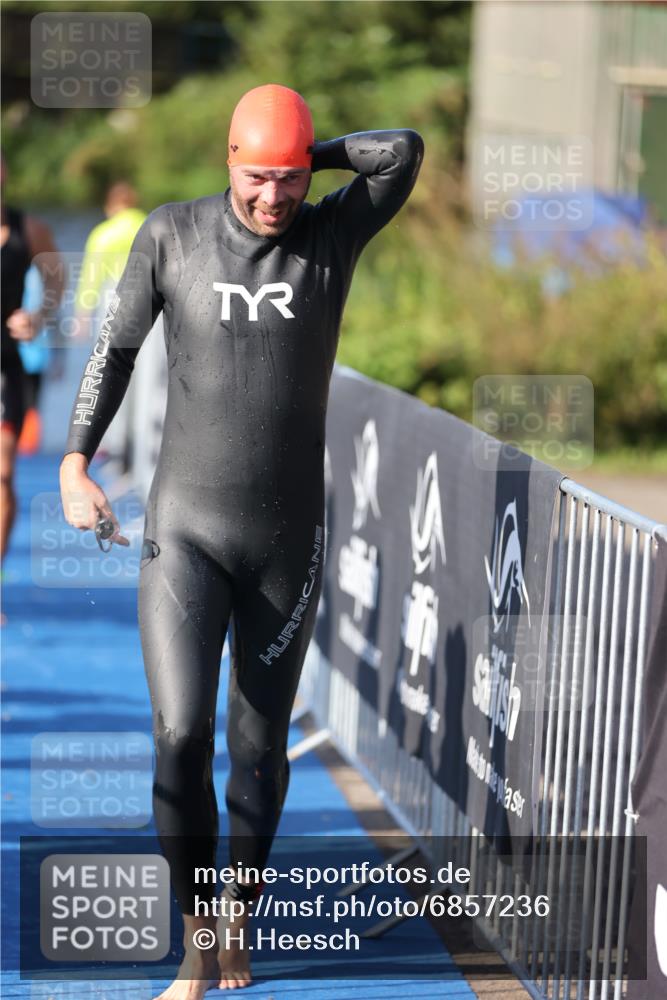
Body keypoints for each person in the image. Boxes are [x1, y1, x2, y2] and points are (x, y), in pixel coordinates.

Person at [60, 83, 423, 997]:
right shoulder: (171, 235)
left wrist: (312, 153)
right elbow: (112, 351)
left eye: (290, 180)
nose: (274, 198)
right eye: (259, 177)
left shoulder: (329, 237)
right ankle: (193, 940)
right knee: (180, 731)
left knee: (256, 749)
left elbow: (403, 149)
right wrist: (74, 462)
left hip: (285, 543)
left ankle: (237, 923)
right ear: (228, 162)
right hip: (184, 529)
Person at [1, 155, 64, 573]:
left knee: (2, 472)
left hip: (7, 367)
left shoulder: (29, 229)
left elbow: (56, 276)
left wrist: (38, 316)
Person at [73, 181, 147, 464]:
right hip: (148, 303)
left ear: (110, 205)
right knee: (144, 377)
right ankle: (141, 441)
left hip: (113, 300)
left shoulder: (103, 233)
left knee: (110, 369)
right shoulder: (146, 224)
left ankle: (112, 442)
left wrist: (82, 315)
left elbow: (91, 277)